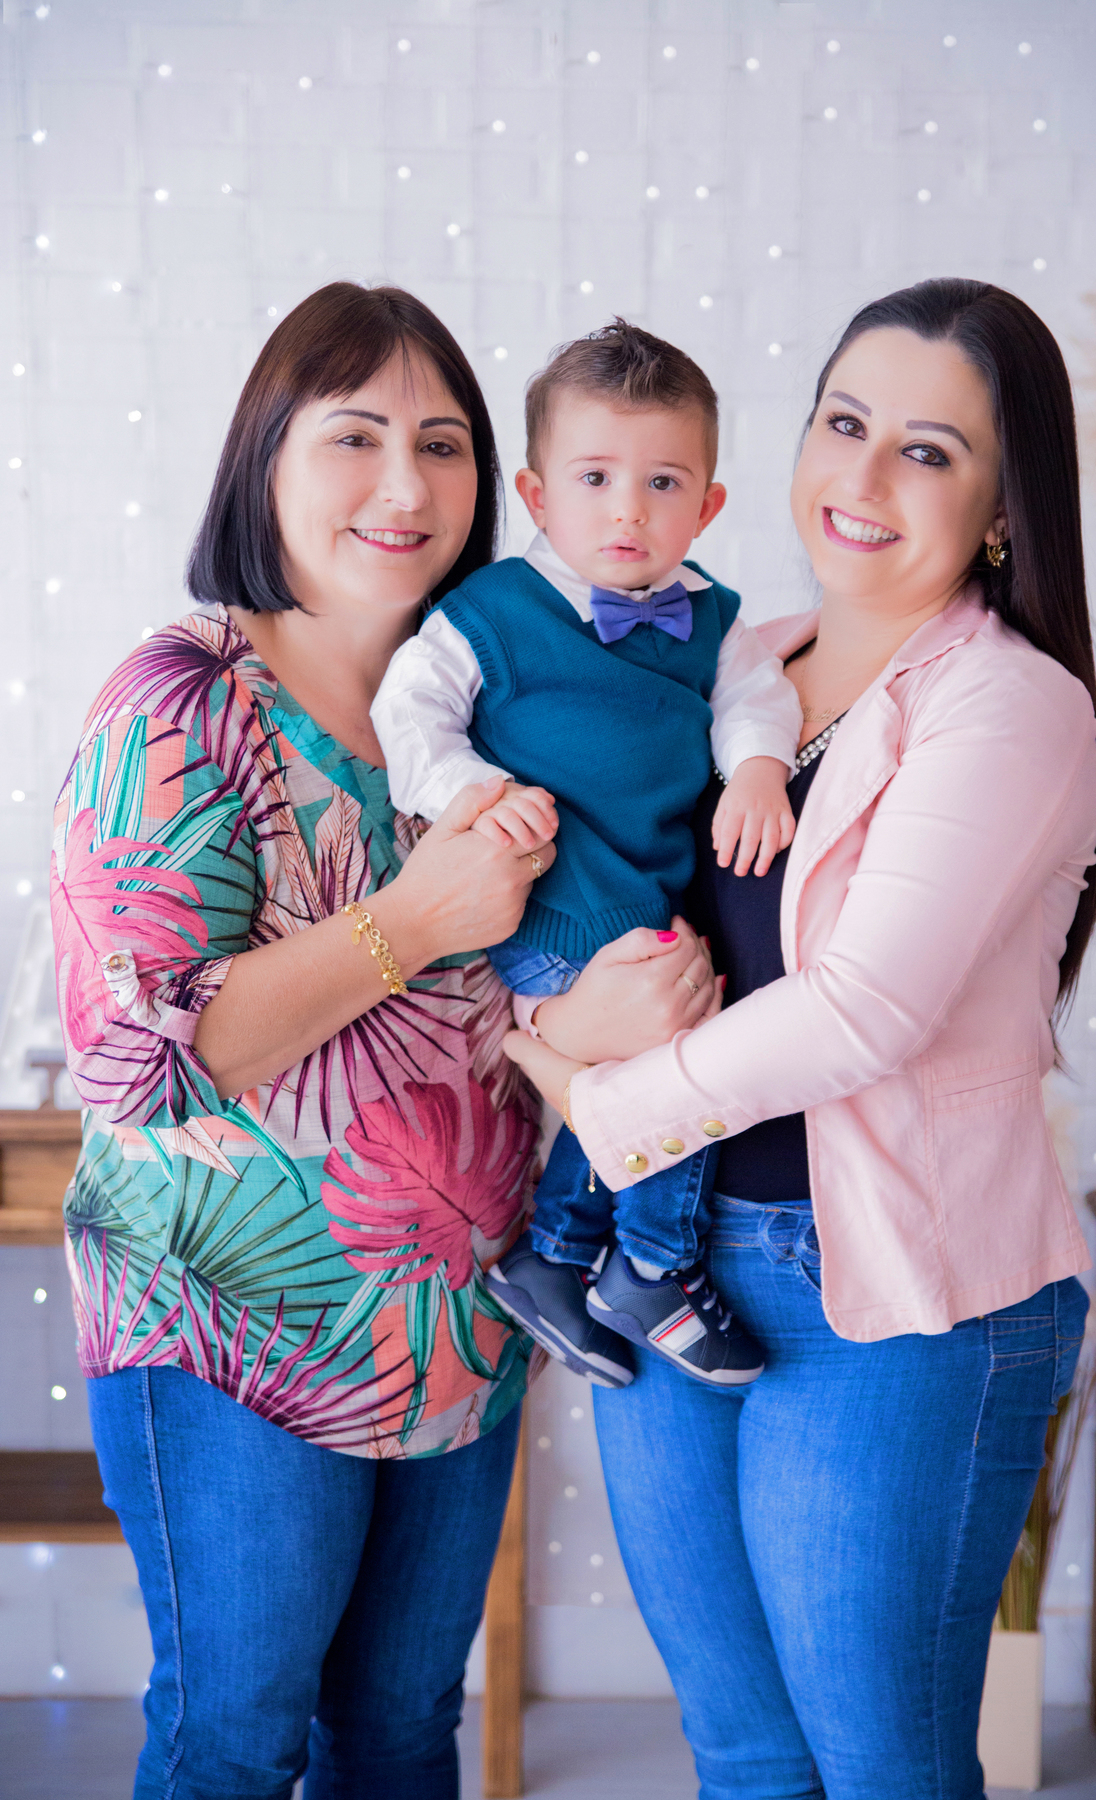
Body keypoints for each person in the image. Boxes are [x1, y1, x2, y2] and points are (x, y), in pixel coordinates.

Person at [49, 281, 714, 1800]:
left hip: (460, 1320)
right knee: (235, 1738)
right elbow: (136, 1066)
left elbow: (490, 1007)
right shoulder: (183, 702)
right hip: (234, 1332)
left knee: (403, 1734)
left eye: (445, 443)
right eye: (356, 439)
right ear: (264, 460)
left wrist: (572, 1030)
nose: (408, 486)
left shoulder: (484, 709)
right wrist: (407, 921)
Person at [505, 278, 1096, 1800]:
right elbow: (574, 896)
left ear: (998, 509)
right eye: (844, 422)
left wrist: (591, 1090)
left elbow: (866, 1013)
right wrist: (545, 1022)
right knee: (743, 1753)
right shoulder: (730, 664)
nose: (860, 475)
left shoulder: (1013, 705)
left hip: (893, 1305)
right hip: (674, 1259)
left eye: (926, 449)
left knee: (880, 1765)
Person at [371, 320, 801, 1392]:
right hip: (553, 895)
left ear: (706, 506)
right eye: (596, 477)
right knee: (677, 1070)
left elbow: (759, 700)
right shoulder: (491, 614)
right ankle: (654, 1265)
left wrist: (755, 767)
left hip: (646, 894)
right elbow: (409, 712)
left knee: (639, 1060)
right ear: (536, 493)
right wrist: (472, 792)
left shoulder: (715, 621)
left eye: (663, 483)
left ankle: (557, 1258)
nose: (628, 509)